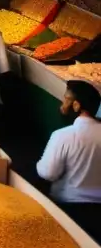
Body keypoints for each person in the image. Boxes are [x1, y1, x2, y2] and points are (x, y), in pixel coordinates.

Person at [38, 80, 101, 208]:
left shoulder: (62, 135)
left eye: (66, 99)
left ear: (76, 105)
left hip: (67, 206)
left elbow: (48, 173)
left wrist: (39, 164)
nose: (63, 105)